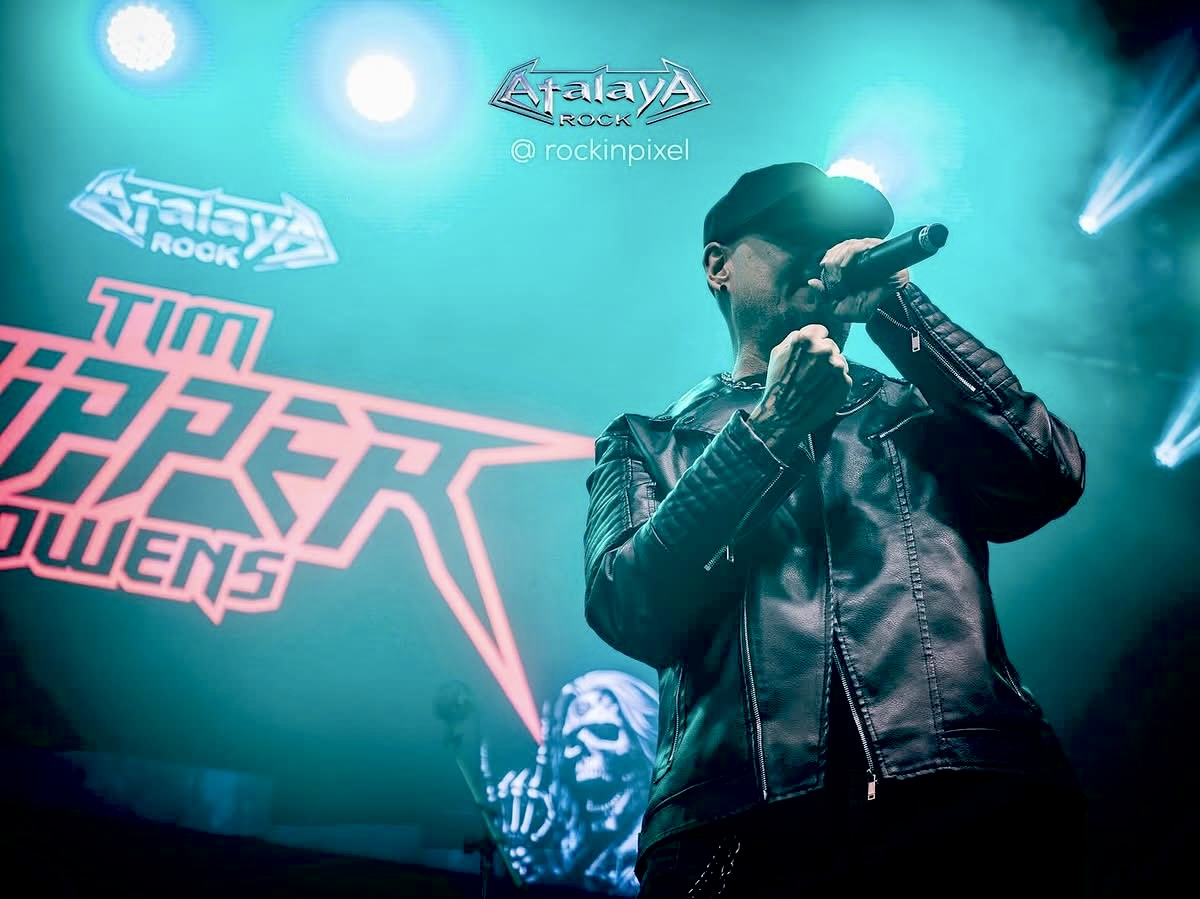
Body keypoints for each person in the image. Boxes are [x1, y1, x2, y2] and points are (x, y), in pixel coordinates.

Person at [582, 162, 1088, 898]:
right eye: (795, 235)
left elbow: (1048, 473)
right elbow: (628, 606)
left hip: (968, 801)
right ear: (718, 266)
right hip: (742, 830)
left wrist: (901, 313)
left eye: (841, 240)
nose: (824, 255)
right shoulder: (648, 441)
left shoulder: (919, 410)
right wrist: (770, 429)